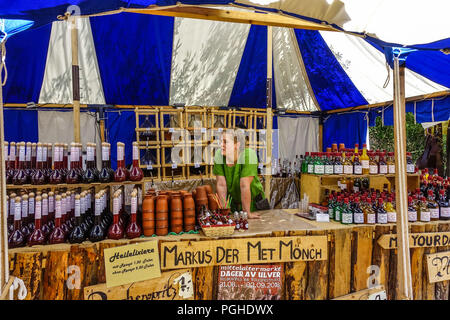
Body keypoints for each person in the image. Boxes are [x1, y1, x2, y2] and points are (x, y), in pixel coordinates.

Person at [213, 128, 266, 219]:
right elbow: (221, 184)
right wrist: (224, 210)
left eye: (225, 142)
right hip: (234, 204)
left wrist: (247, 213)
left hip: (254, 205)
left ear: (236, 145)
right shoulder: (219, 155)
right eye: (221, 141)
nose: (221, 145)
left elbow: (244, 185)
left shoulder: (249, 155)